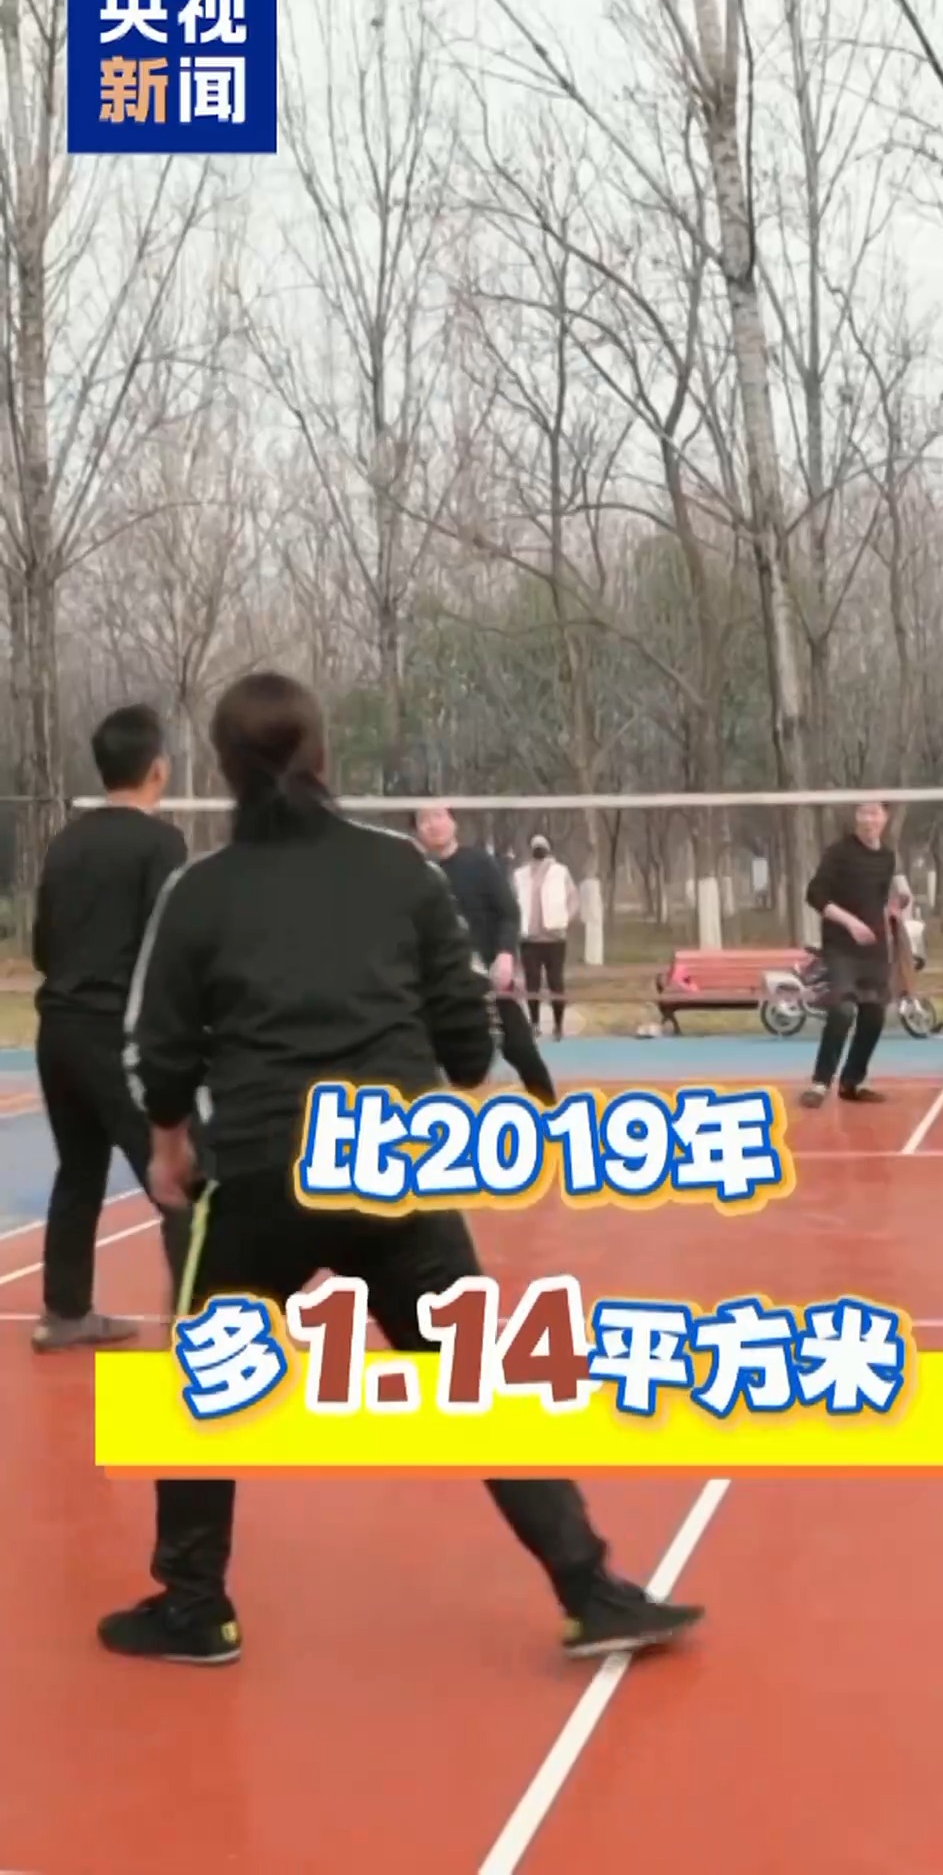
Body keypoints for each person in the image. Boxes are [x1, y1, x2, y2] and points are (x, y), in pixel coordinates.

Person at [98, 671, 703, 1666]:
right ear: (323, 755)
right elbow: (468, 1033)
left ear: (223, 768)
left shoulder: (199, 891)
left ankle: (195, 1605)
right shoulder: (399, 871)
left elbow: (157, 1045)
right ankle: (591, 1589)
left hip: (259, 1172)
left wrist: (171, 1142)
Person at [30, 704, 190, 1352]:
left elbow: (43, 945)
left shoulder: (65, 843)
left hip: (57, 1031)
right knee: (182, 1176)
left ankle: (65, 1312)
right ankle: (203, 1326)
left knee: (79, 1171)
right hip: (115, 1034)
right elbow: (169, 947)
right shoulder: (161, 844)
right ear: (158, 769)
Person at [412, 802, 557, 1106]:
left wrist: (505, 954)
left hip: (488, 979)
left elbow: (508, 913)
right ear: (417, 831)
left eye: (439, 816)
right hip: (438, 986)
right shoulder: (416, 874)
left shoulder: (479, 863)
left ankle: (551, 1111)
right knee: (420, 1056)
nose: (433, 824)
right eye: (424, 820)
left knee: (521, 1049)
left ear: (453, 822)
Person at [800, 800, 900, 1109]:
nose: (869, 819)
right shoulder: (839, 852)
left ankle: (852, 1082)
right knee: (842, 1010)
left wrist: (893, 915)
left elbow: (879, 900)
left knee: (874, 1014)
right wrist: (850, 922)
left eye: (874, 813)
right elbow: (815, 895)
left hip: (874, 947)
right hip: (841, 946)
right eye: (863, 813)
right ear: (856, 817)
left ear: (884, 818)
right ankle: (820, 1082)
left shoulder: (887, 857)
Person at [513, 834, 579, 1041]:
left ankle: (558, 1025)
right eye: (535, 846)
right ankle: (534, 1024)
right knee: (532, 983)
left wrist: (565, 920)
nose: (538, 849)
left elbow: (573, 899)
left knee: (555, 982)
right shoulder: (520, 875)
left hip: (554, 938)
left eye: (542, 845)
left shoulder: (560, 872)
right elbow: (513, 901)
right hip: (529, 939)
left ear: (548, 848)